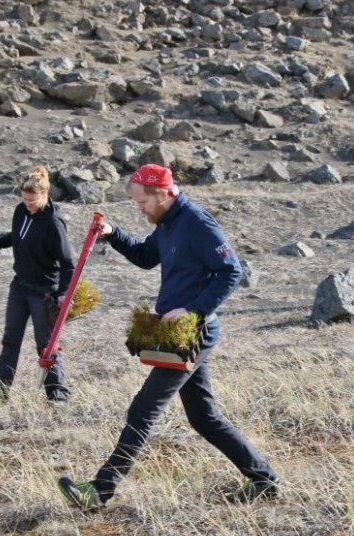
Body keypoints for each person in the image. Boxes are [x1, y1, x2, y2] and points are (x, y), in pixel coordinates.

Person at [58, 163, 279, 512]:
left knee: (144, 408)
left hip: (193, 332)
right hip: (176, 331)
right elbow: (146, 257)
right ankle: (263, 479)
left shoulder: (197, 223)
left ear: (163, 193)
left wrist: (193, 311)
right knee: (203, 416)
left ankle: (100, 490)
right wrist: (113, 233)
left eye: (142, 202)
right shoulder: (167, 223)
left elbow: (230, 271)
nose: (139, 208)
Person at [0, 166, 75, 404]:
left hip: (44, 294)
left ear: (44, 195)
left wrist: (63, 294)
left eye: (33, 200)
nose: (28, 204)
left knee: (46, 346)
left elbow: (68, 264)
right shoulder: (21, 212)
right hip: (20, 287)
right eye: (25, 199)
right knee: (10, 340)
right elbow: (16, 235)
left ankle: (57, 398)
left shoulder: (54, 223)